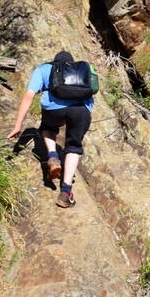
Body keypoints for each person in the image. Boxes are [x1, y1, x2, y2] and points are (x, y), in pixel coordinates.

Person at [8, 51, 93, 208]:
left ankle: (53, 156)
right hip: (81, 109)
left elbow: (29, 95)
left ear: (55, 63)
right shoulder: (85, 69)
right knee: (73, 146)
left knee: (48, 127)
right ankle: (66, 192)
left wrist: (18, 125)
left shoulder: (44, 69)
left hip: (53, 109)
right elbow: (92, 90)